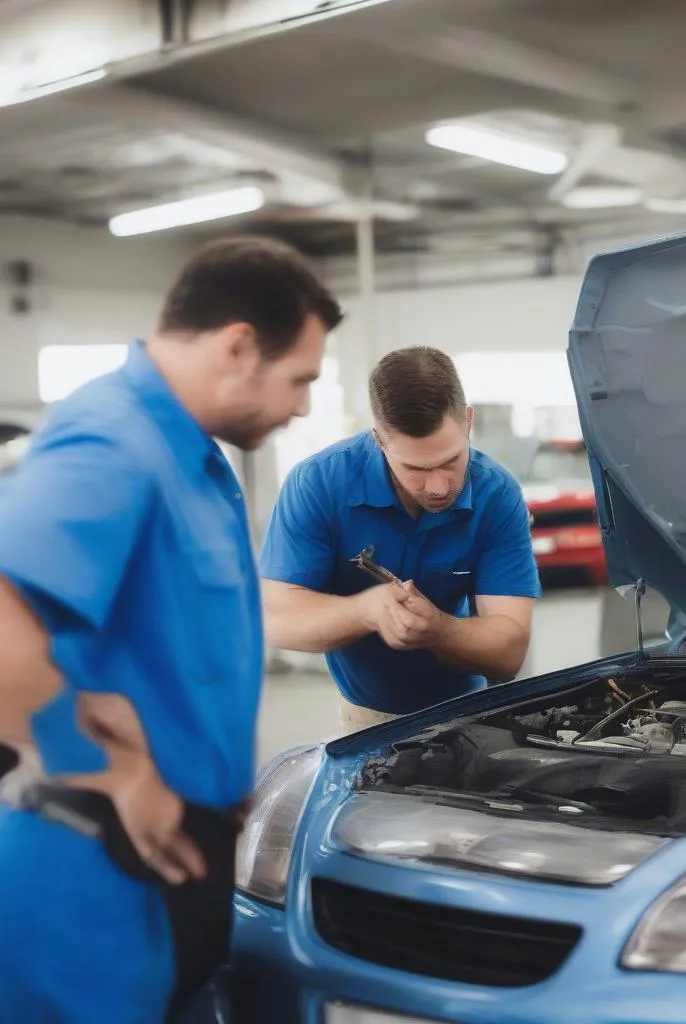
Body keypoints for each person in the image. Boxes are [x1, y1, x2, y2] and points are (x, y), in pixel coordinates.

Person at [0, 235, 341, 1023]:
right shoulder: (114, 441)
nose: (303, 406)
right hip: (93, 879)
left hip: (173, 860)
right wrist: (116, 770)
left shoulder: (188, 454)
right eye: (301, 380)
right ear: (238, 346)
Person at [260, 346, 540, 732]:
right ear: (379, 439)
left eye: (451, 460)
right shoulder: (318, 484)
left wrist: (440, 629)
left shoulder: (497, 494)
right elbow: (276, 621)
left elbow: (508, 652)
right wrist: (367, 611)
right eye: (415, 469)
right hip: (365, 716)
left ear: (468, 421)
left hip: (473, 713)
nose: (439, 486)